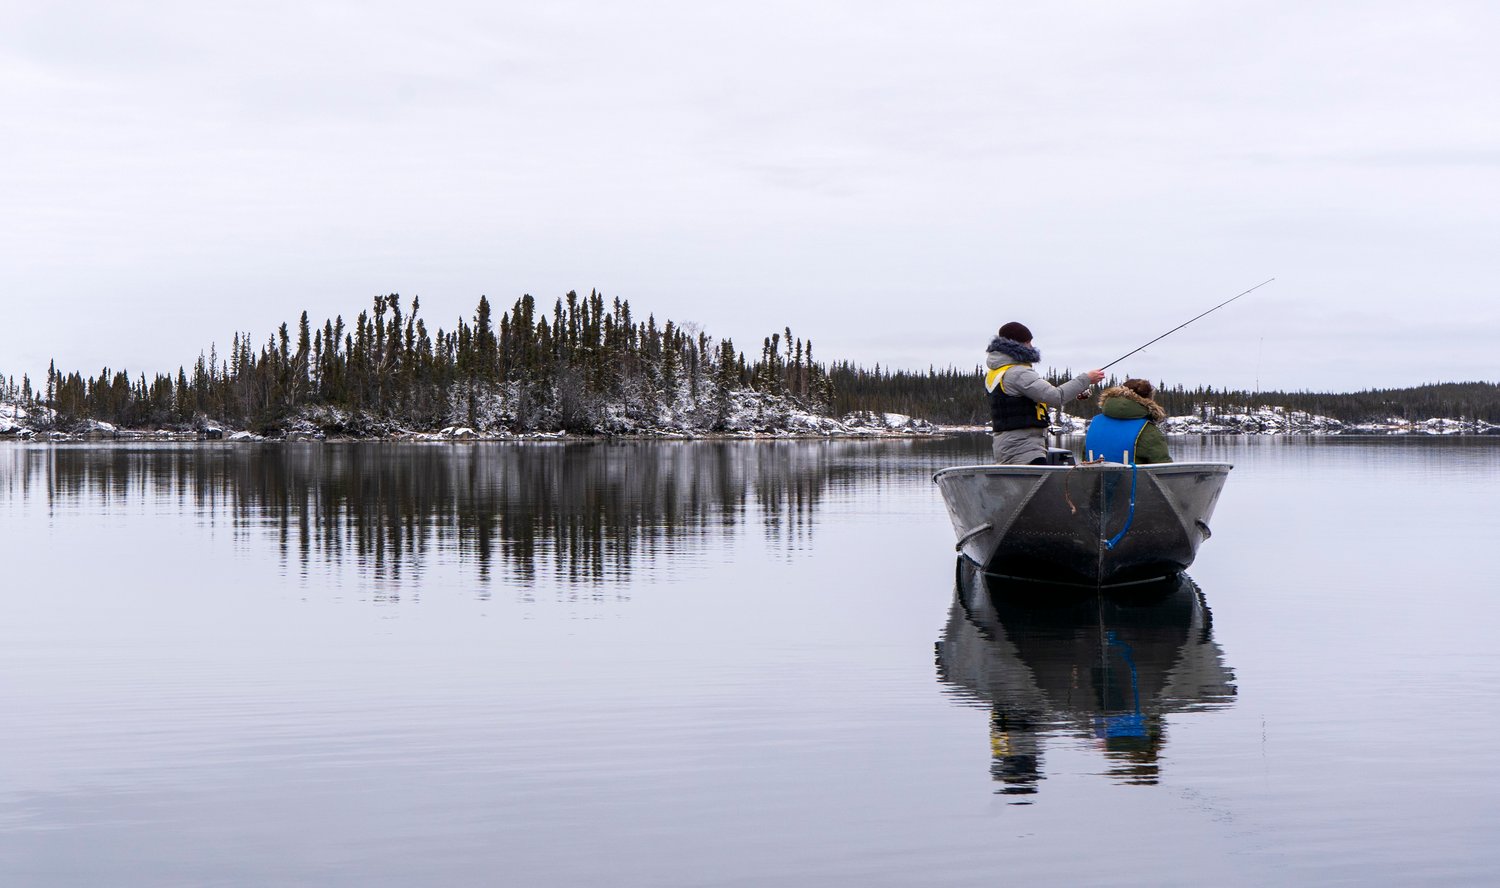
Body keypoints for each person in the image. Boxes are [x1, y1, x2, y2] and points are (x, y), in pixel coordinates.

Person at [986, 322, 1105, 465]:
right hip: (1024, 450)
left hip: (1007, 446)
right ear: (1017, 345)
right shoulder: (1018, 373)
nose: (1031, 346)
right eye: (1028, 342)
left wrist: (1076, 391)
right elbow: (1056, 396)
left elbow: (1028, 401)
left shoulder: (997, 372)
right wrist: (1086, 379)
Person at [1083, 378, 1172, 464]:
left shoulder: (1095, 424)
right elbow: (1165, 472)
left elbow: (1084, 459)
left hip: (1093, 479)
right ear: (1148, 401)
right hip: (1134, 479)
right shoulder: (1148, 431)